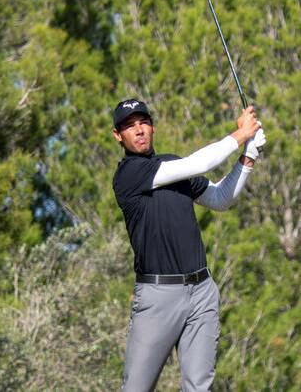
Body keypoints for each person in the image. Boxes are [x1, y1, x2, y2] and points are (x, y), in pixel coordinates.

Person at [112, 98, 266, 392]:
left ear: (152, 127)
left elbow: (221, 199)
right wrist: (240, 135)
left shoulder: (172, 165)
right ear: (118, 136)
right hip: (158, 298)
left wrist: (249, 156)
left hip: (202, 292)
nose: (139, 130)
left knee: (199, 387)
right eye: (130, 127)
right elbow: (200, 163)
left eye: (143, 122)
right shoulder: (129, 175)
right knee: (136, 388)